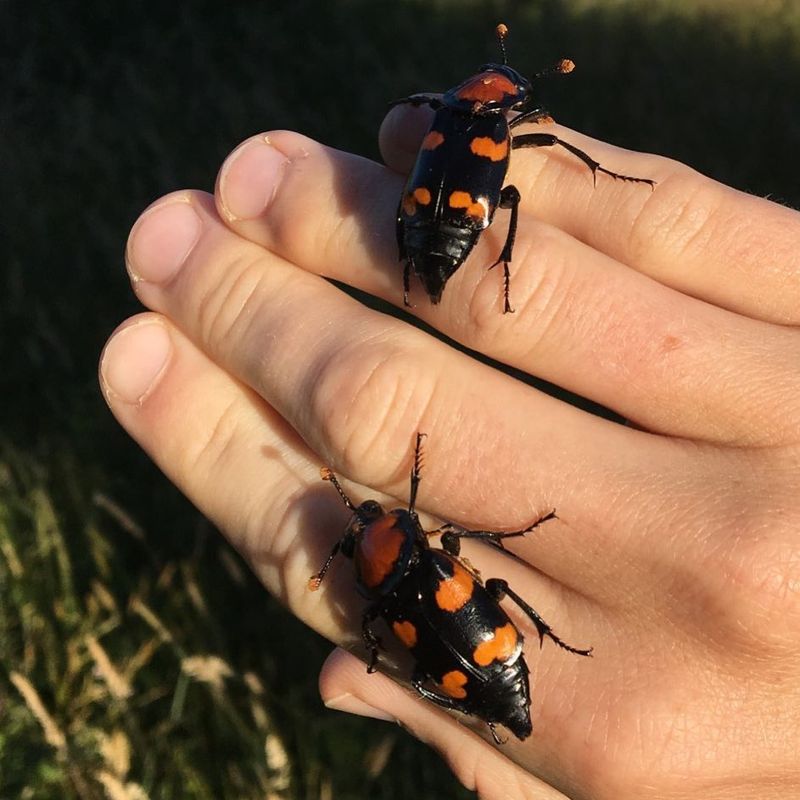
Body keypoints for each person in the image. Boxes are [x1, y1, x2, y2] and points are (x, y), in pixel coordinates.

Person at [99, 102, 800, 799]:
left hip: (486, 659)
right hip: (480, 659)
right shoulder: (411, 572)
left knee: (477, 590)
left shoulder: (405, 578)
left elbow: (403, 589)